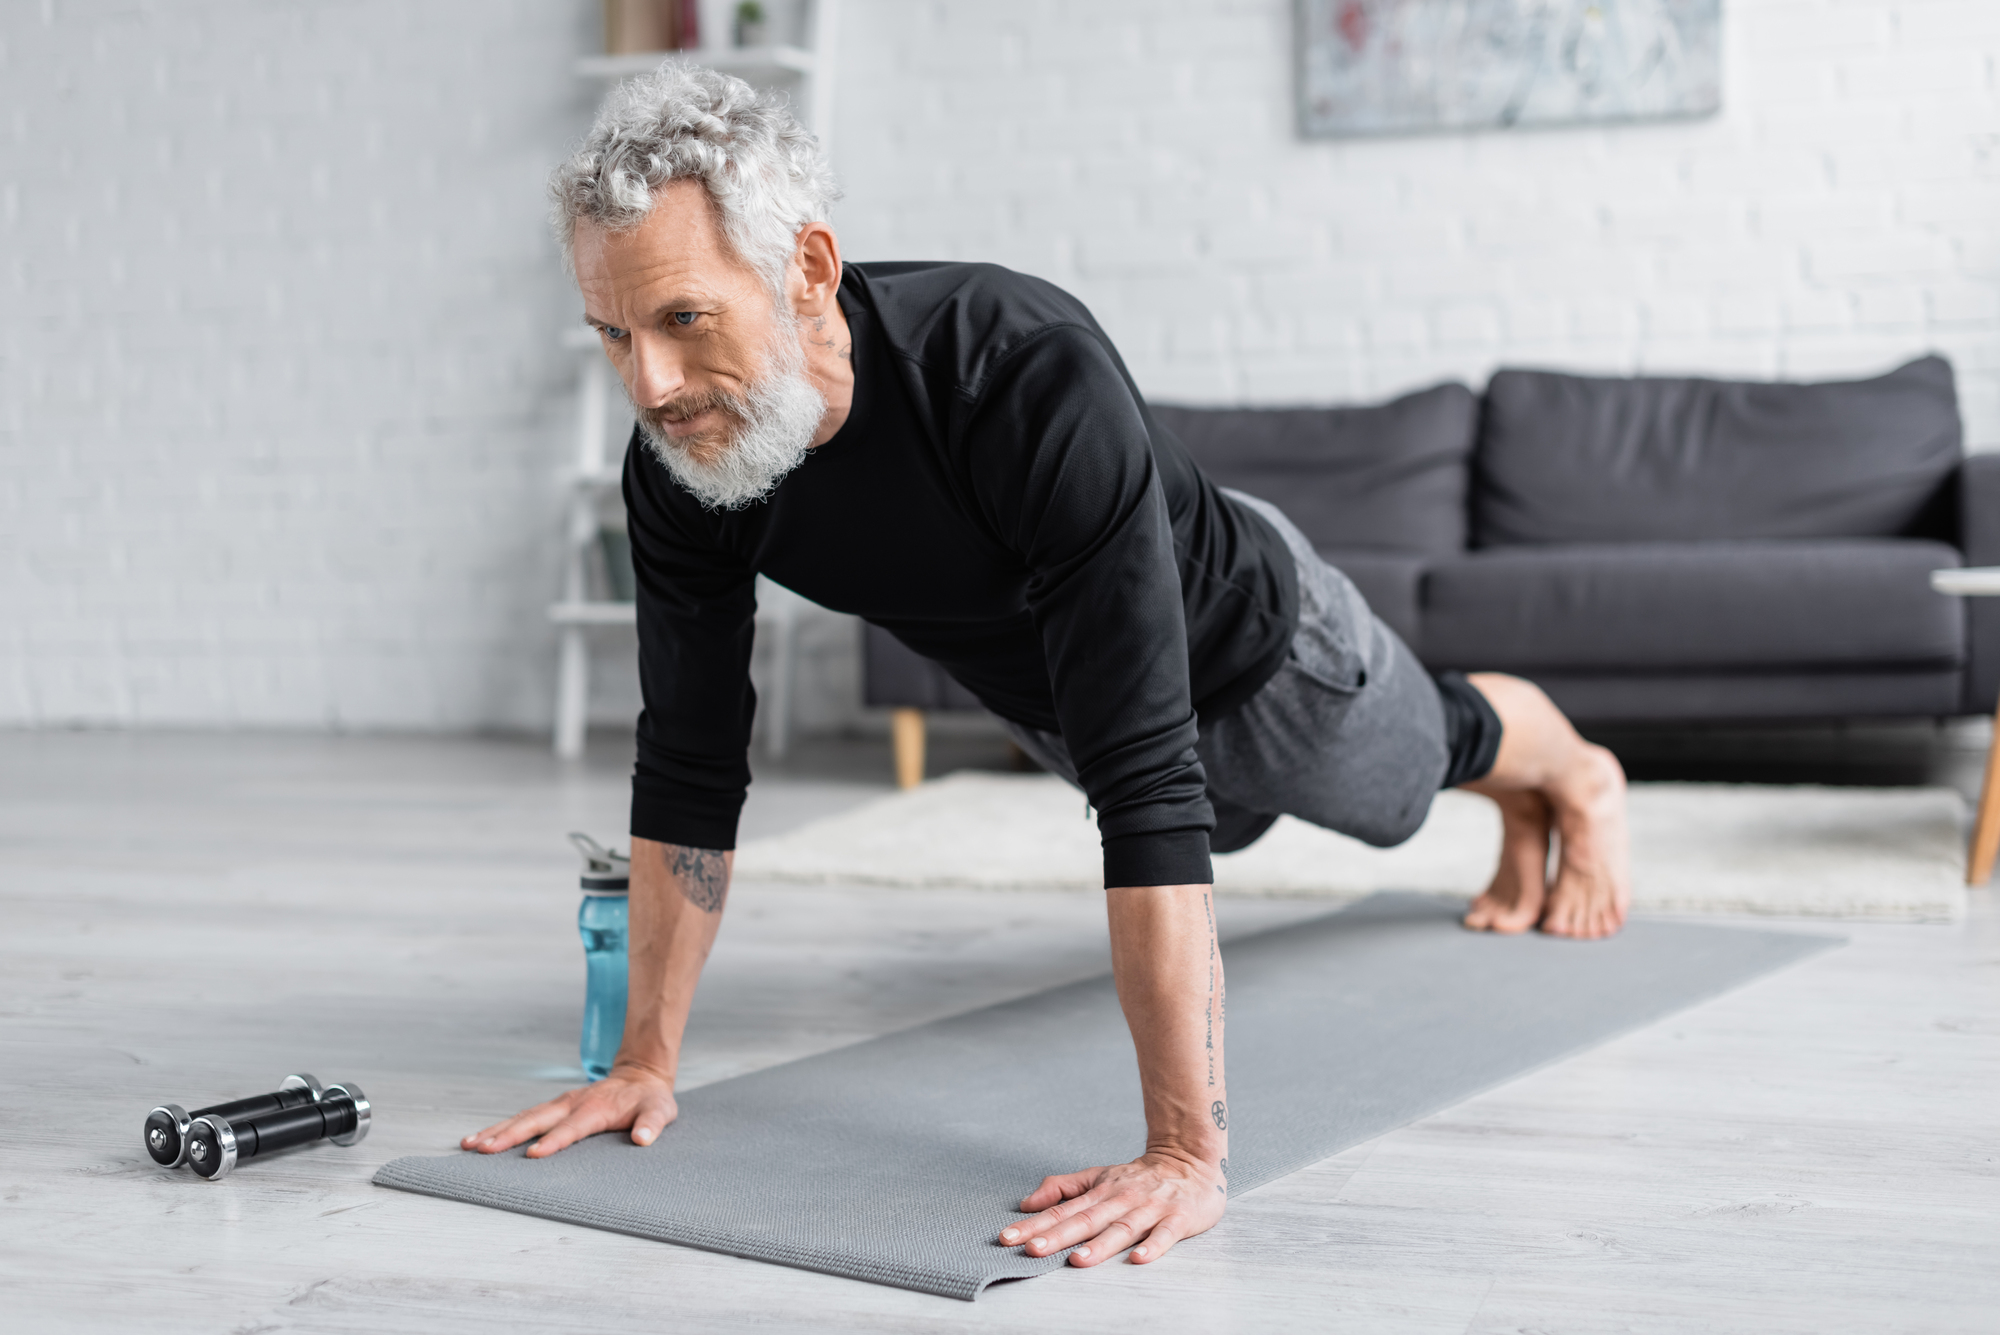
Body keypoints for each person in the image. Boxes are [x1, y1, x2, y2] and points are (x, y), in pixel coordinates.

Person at [465, 64, 1630, 1270]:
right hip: (1060, 696)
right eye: (613, 333)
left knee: (1406, 784)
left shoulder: (1017, 371)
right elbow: (691, 758)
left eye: (682, 320)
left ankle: (1575, 772)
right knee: (1221, 832)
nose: (646, 385)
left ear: (806, 269)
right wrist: (642, 1066)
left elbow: (1145, 782)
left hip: (1257, 649)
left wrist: (1184, 1152)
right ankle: (1524, 794)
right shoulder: (687, 467)